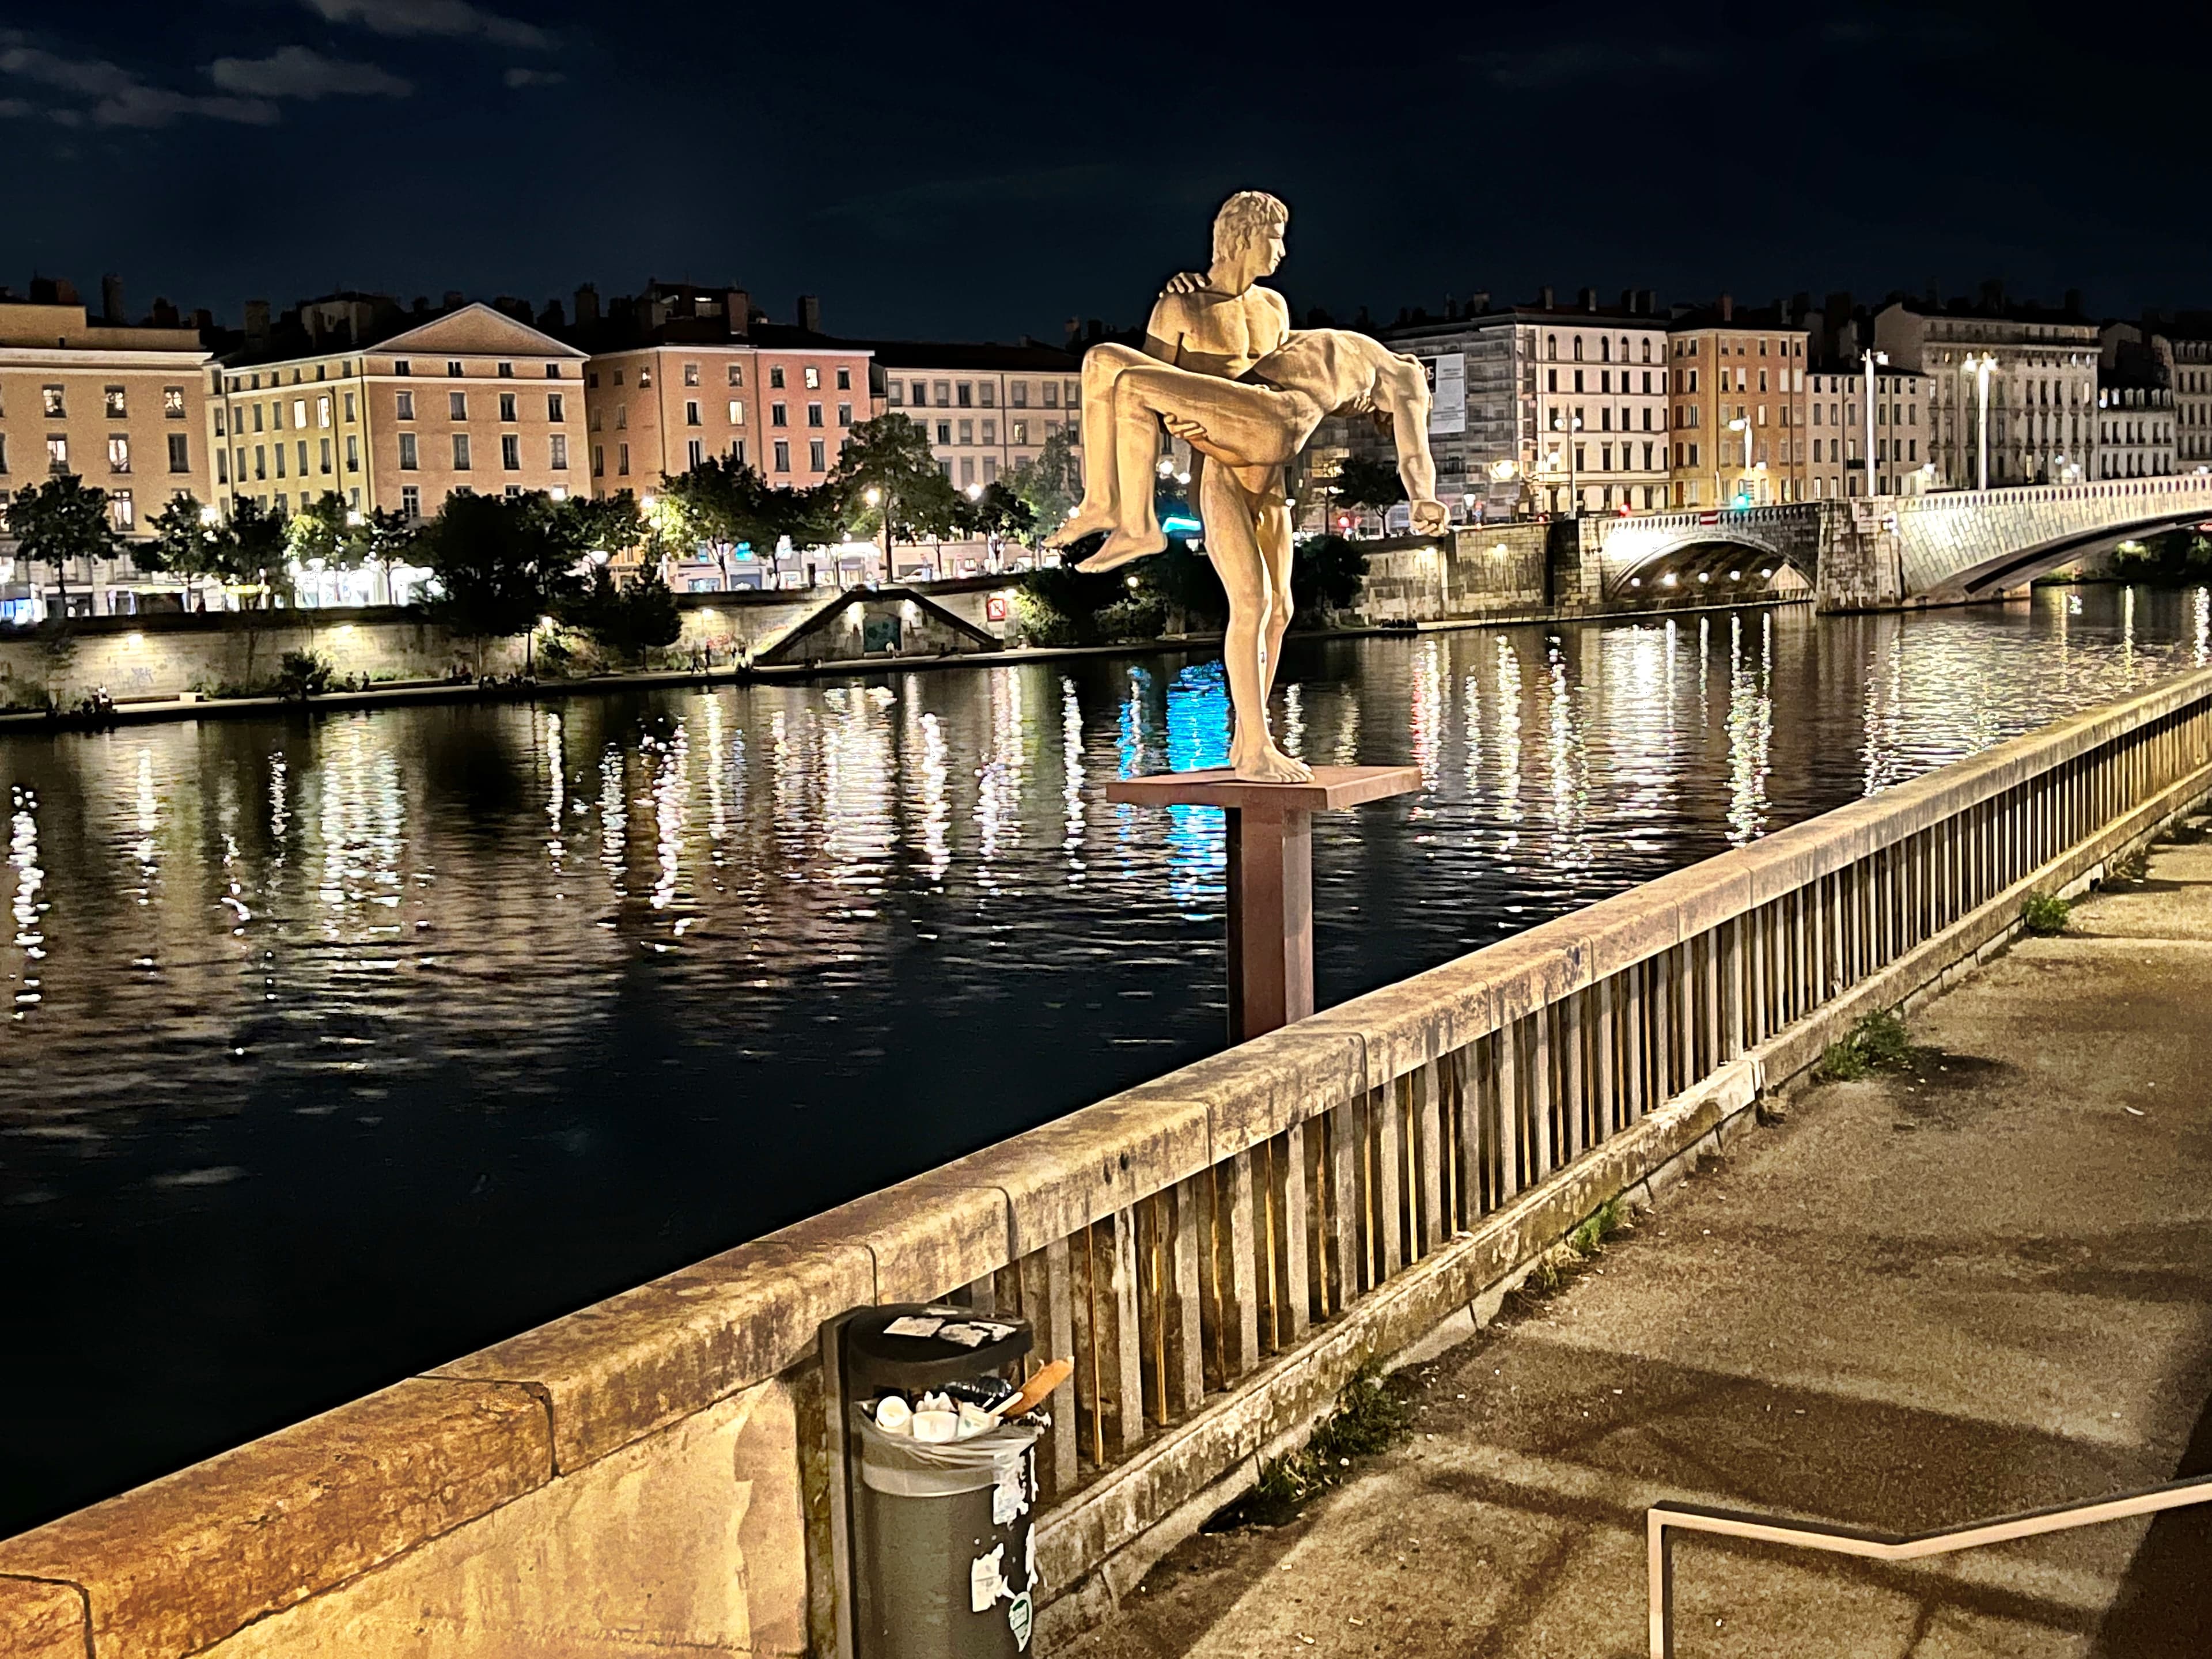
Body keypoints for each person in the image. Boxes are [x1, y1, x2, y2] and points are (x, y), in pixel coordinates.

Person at [1053, 318, 1448, 781]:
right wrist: (1423, 498)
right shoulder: (1407, 377)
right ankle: (1125, 515)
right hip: (1265, 430)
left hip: (1254, 462)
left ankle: (1249, 737)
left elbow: (1235, 367)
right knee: (1253, 605)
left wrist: (1199, 410)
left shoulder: (1329, 346)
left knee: (1276, 609)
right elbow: (1415, 454)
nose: (1378, 417)